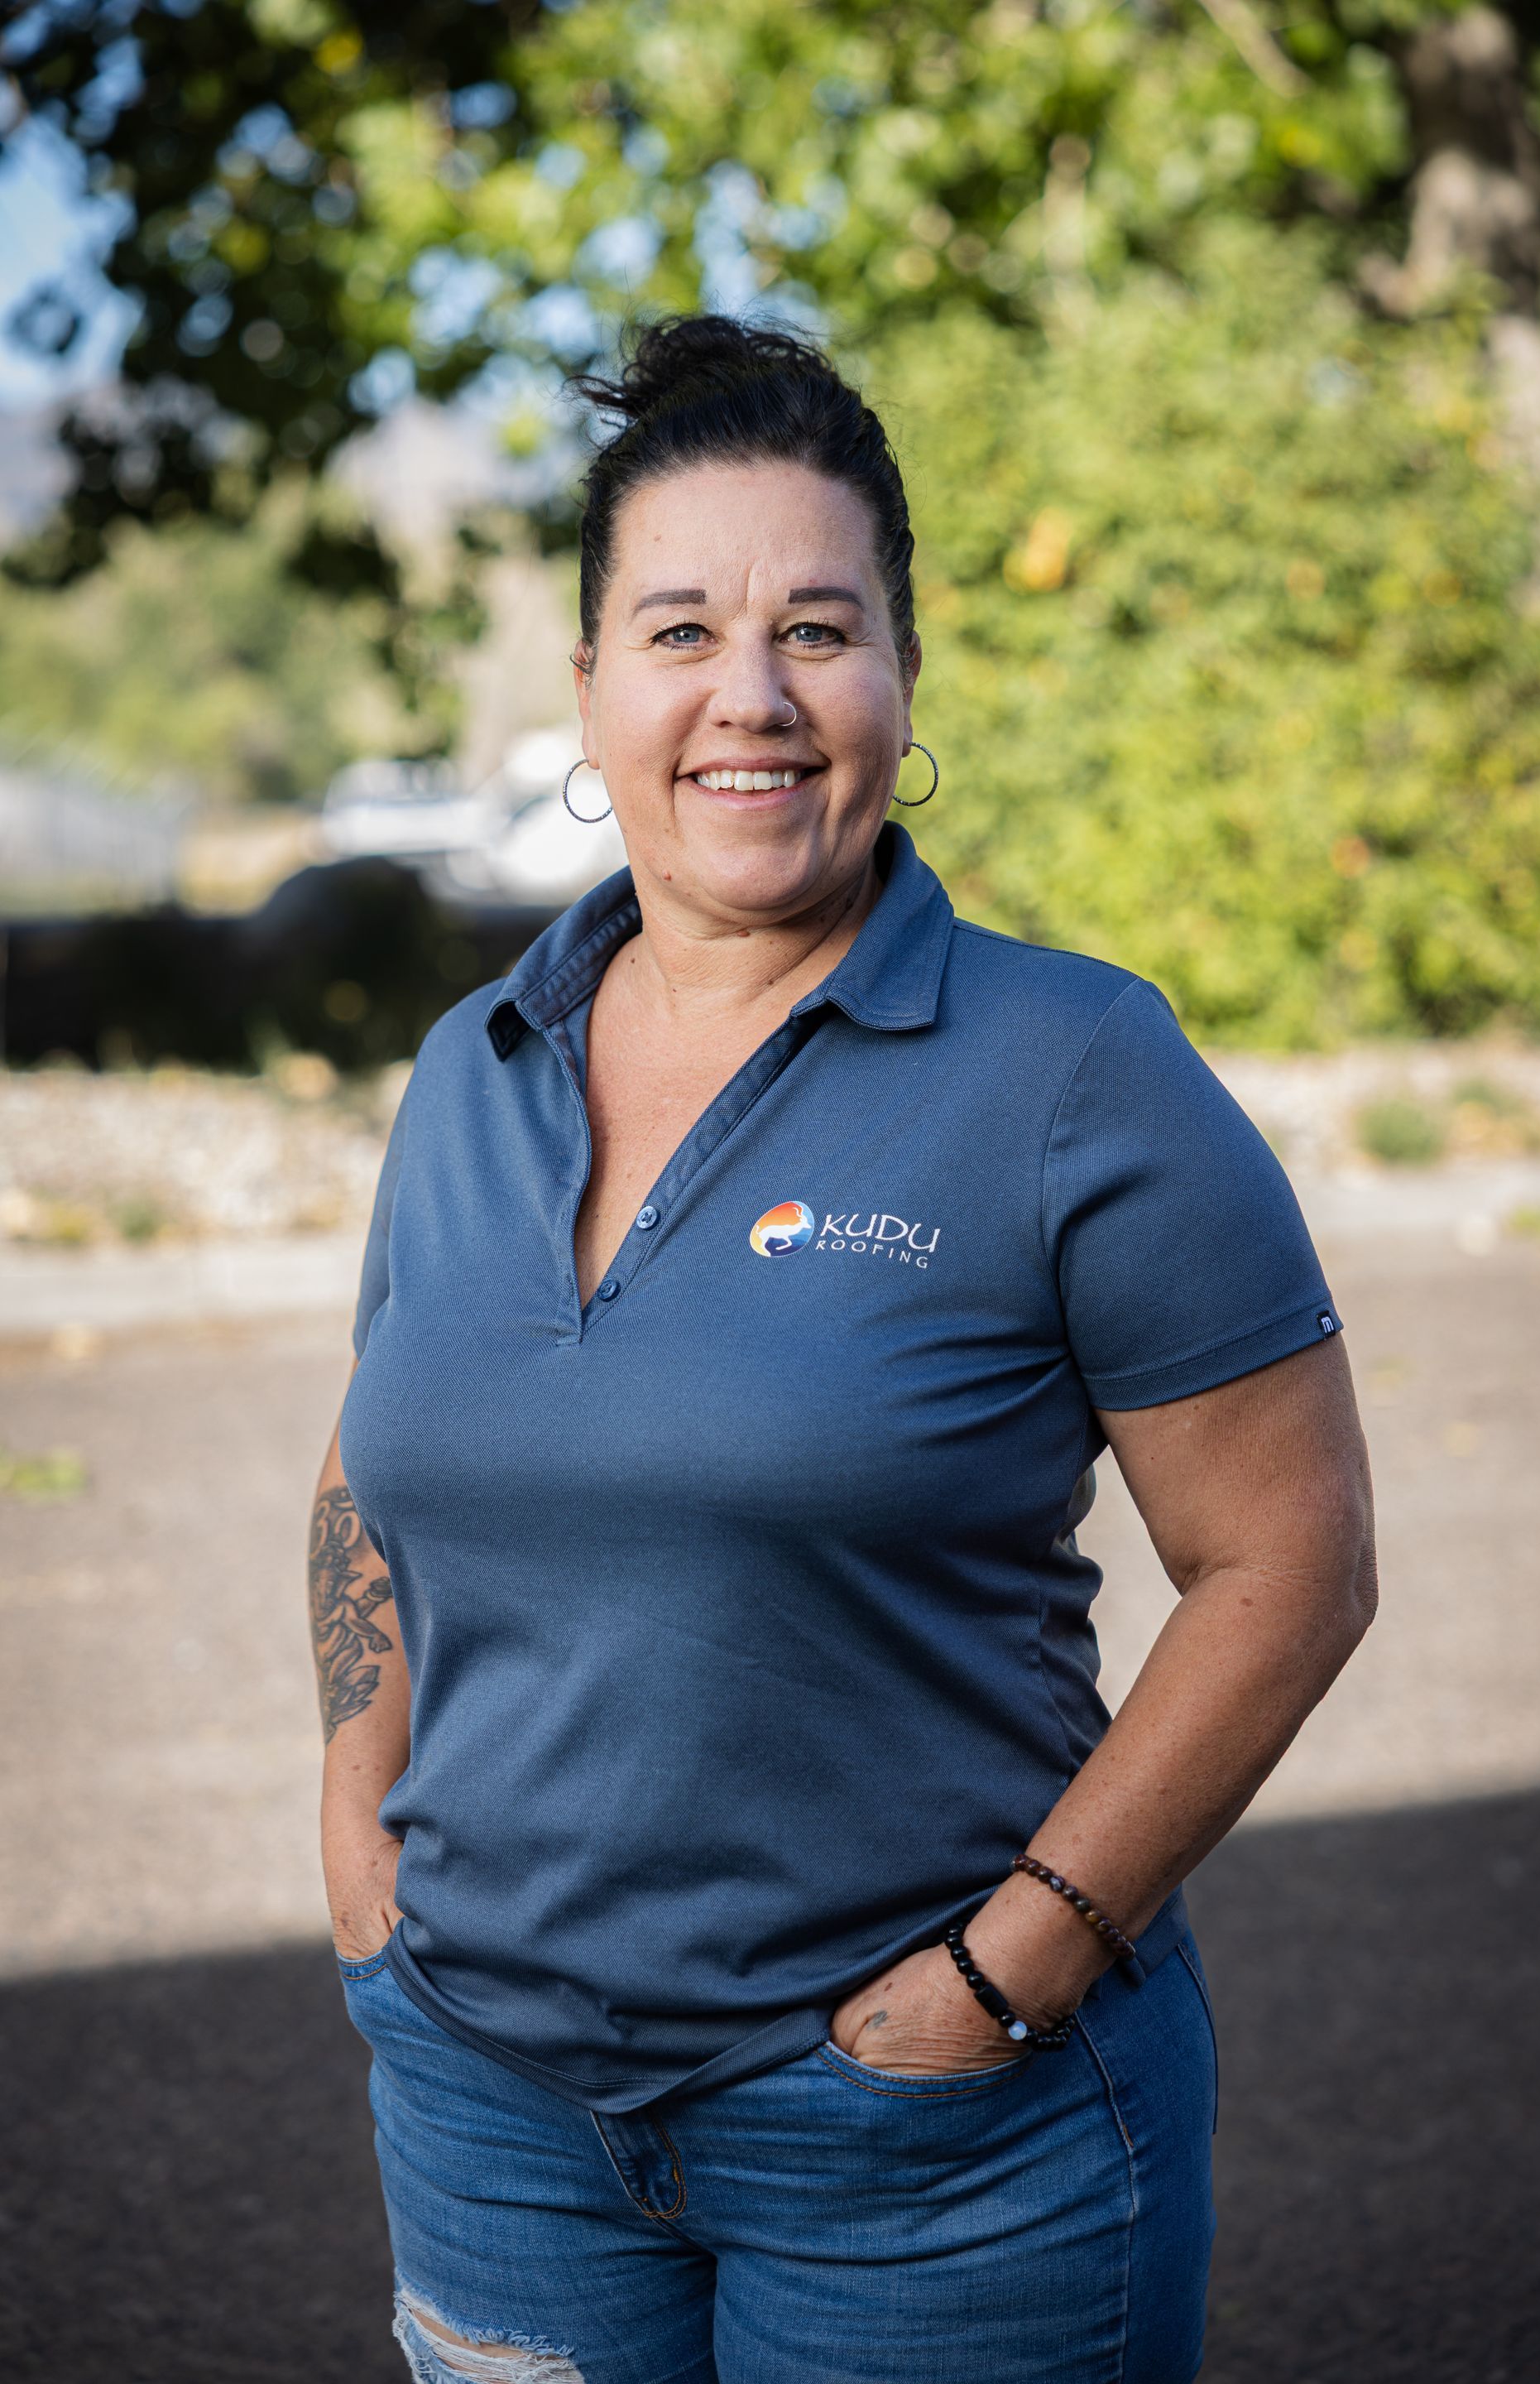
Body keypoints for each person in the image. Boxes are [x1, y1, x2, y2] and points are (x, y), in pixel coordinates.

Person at [309, 315, 1377, 2384]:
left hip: (933, 2144)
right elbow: (378, 1453)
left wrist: (1016, 1965)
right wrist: (358, 1821)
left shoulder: (1077, 1069)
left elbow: (1289, 1565)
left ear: (903, 675)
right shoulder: (473, 1068)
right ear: (597, 691)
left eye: (822, 627)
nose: (755, 696)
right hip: (489, 2113)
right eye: (684, 629)